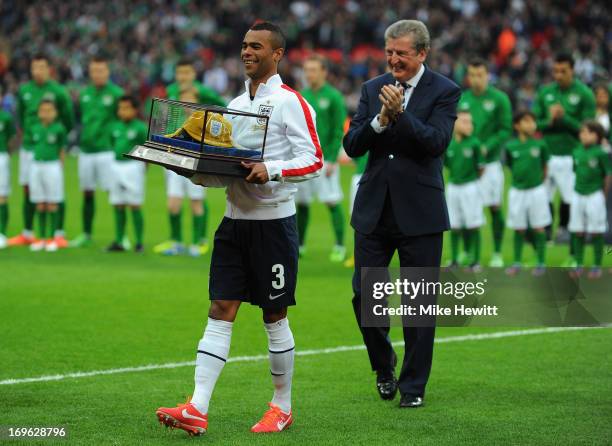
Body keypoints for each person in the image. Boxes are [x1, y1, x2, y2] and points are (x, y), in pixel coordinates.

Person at [155, 21, 322, 435]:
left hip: (273, 227)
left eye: (257, 47)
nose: (247, 52)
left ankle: (281, 406)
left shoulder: (289, 102)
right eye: (245, 45)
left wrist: (273, 169)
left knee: (274, 315)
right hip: (233, 224)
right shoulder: (233, 103)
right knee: (220, 309)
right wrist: (189, 169)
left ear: (277, 54)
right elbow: (228, 173)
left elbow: (314, 160)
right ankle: (197, 407)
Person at [343, 19, 460, 408]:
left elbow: (435, 143)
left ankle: (412, 387)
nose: (393, 59)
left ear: (422, 53)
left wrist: (402, 115)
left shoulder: (445, 91)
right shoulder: (372, 89)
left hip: (420, 213)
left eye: (402, 54)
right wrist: (379, 120)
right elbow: (352, 145)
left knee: (418, 305)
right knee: (365, 298)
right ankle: (383, 366)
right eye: (389, 52)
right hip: (375, 211)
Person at [153, 58, 226, 257]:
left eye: (187, 73)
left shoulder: (204, 92)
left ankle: (199, 241)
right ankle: (176, 241)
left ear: (194, 74)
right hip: (171, 152)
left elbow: (225, 109)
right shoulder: (170, 91)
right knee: (173, 202)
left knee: (196, 199)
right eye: (180, 73)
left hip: (195, 153)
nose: (183, 77)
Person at [9, 53, 74, 248]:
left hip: (51, 149)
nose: (38, 71)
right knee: (29, 189)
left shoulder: (58, 91)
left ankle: (58, 234)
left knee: (55, 191)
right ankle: (28, 233)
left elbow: (68, 119)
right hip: (29, 147)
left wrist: (55, 138)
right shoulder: (24, 90)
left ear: (49, 69)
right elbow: (20, 116)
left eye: (41, 67)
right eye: (34, 68)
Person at [533, 53, 596, 248]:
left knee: (570, 196)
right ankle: (547, 232)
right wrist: (550, 120)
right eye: (556, 71)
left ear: (572, 71)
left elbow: (588, 129)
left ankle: (565, 230)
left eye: (563, 71)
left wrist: (564, 118)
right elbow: (534, 123)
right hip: (548, 154)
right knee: (545, 195)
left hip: (572, 154)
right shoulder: (545, 93)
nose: (558, 75)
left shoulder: (584, 94)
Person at [458, 58, 512, 267]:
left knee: (495, 207)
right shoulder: (463, 100)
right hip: (467, 166)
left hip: (490, 164)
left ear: (487, 75)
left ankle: (497, 252)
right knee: (466, 210)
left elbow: (505, 129)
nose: (476, 79)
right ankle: (466, 251)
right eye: (472, 75)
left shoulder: (500, 99)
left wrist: (487, 146)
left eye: (480, 75)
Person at [295, 53, 347, 262]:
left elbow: (338, 130)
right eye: (307, 70)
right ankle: (299, 245)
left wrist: (333, 159)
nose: (310, 74)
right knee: (302, 203)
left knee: (332, 201)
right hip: (305, 158)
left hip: (325, 160)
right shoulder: (301, 95)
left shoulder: (333, 97)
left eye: (314, 70)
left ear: (324, 72)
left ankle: (340, 245)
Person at [70, 56, 124, 248]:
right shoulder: (84, 94)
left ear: (107, 72)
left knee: (115, 194)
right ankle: (86, 234)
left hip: (107, 151)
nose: (97, 74)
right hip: (86, 150)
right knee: (87, 192)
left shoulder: (117, 94)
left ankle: (121, 237)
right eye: (94, 71)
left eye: (101, 70)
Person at [504, 111, 551, 276]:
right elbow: (510, 165)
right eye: (526, 121)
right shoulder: (511, 146)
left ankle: (541, 262)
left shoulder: (540, 145)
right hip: (517, 191)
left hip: (536, 191)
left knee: (539, 227)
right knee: (519, 228)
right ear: (516, 125)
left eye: (533, 121)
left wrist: (537, 183)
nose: (531, 124)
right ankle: (516, 262)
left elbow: (545, 168)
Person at [568, 120, 612, 279]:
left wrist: (603, 194)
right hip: (578, 194)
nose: (583, 135)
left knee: (596, 231)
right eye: (581, 132)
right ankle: (578, 264)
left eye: (587, 132)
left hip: (595, 195)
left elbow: (608, 174)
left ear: (597, 135)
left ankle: (596, 265)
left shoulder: (601, 153)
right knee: (578, 230)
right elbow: (575, 170)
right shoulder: (576, 151)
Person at [106, 96, 148, 253]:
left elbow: (146, 149)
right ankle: (119, 240)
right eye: (120, 108)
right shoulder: (114, 127)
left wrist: (143, 169)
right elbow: (112, 143)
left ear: (135, 110)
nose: (122, 111)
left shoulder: (140, 128)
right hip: (116, 165)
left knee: (134, 204)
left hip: (133, 166)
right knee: (118, 203)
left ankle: (139, 242)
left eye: (126, 108)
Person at [444, 110, 485, 270]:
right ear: (454, 124)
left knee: (473, 224)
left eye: (470, 122)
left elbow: (480, 168)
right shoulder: (449, 143)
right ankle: (454, 260)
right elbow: (447, 163)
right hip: (453, 187)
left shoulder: (474, 144)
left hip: (470, 187)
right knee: (454, 225)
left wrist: (471, 180)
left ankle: (475, 261)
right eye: (464, 122)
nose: (469, 125)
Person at [28, 100, 67, 252]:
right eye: (43, 110)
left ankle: (52, 238)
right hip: (37, 165)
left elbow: (62, 150)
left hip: (52, 166)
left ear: (55, 113)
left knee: (52, 202)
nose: (46, 113)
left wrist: (60, 167)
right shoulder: (35, 128)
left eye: (49, 110)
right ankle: (41, 238)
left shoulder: (59, 129)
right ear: (39, 113)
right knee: (39, 202)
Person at [0, 97, 16, 249]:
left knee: (1, 195)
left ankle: (1, 233)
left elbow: (12, 139)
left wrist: (6, 155)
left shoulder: (6, 117)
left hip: (1, 157)